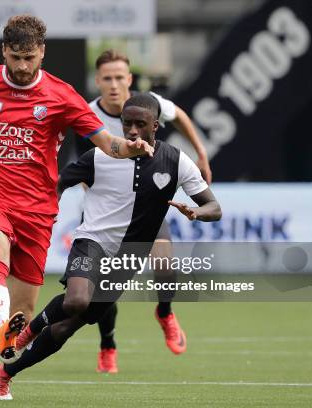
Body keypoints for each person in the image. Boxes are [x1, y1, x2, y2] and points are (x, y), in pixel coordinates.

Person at [0, 15, 153, 398]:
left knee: (18, 328)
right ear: (4, 51)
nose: (23, 66)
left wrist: (130, 149)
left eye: (30, 57)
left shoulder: (61, 95)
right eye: (16, 57)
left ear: (42, 53)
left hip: (38, 212)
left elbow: (108, 143)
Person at [0, 93, 222, 399]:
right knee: (76, 300)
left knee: (68, 327)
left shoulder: (176, 161)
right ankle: (26, 334)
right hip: (93, 242)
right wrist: (54, 199)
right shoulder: (100, 156)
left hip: (128, 258)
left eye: (139, 125)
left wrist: (197, 212)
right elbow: (61, 181)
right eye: (126, 123)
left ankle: (5, 374)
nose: (130, 130)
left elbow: (214, 207)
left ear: (155, 126)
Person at [87, 50, 213, 373]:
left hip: (146, 209)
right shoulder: (88, 114)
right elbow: (83, 162)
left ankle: (165, 311)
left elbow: (181, 115)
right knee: (105, 289)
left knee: (164, 265)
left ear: (129, 79)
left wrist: (201, 153)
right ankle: (107, 346)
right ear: (98, 81)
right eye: (107, 78)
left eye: (120, 77)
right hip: (106, 215)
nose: (114, 85)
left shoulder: (148, 103)